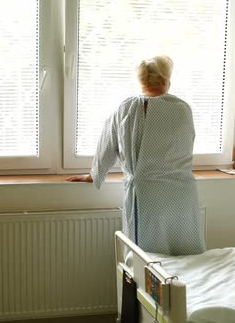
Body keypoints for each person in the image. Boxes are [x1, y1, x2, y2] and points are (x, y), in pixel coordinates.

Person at [67, 55, 205, 255]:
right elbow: (187, 145)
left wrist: (94, 175)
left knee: (146, 257)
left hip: (145, 194)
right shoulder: (182, 109)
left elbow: (107, 144)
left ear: (141, 81)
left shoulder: (126, 108)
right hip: (180, 192)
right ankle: (188, 285)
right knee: (184, 250)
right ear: (167, 80)